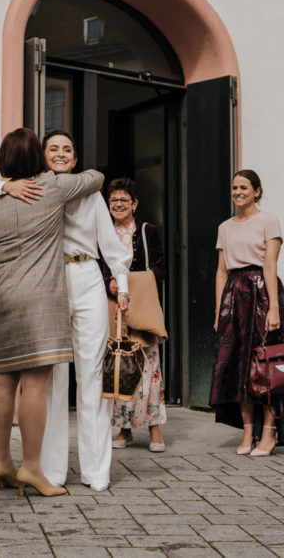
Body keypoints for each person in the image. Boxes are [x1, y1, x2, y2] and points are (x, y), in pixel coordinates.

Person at [0, 130, 130, 493]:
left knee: (92, 375)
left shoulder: (88, 193)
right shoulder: (37, 190)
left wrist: (122, 284)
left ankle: (96, 471)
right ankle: (51, 468)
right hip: (47, 282)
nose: (61, 154)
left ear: (75, 158)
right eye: (53, 149)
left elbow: (110, 242)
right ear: (41, 157)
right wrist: (6, 186)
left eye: (68, 149)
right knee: (50, 381)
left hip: (87, 278)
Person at [209, 169, 284, 457]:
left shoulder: (268, 220)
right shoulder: (224, 226)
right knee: (238, 365)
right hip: (234, 296)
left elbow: (270, 266)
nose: (238, 192)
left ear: (257, 191)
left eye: (244, 187)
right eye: (234, 187)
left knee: (265, 365)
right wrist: (219, 311)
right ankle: (248, 431)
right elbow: (220, 272)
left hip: (263, 293)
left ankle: (270, 431)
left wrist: (273, 307)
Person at [98, 178, 167, 453]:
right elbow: (98, 264)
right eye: (113, 200)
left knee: (148, 366)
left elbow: (160, 267)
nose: (117, 204)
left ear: (135, 204)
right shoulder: (102, 232)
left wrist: (131, 284)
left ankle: (155, 430)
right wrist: (109, 283)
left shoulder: (148, 231)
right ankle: (124, 429)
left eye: (123, 200)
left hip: (140, 306)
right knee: (119, 364)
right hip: (113, 307)